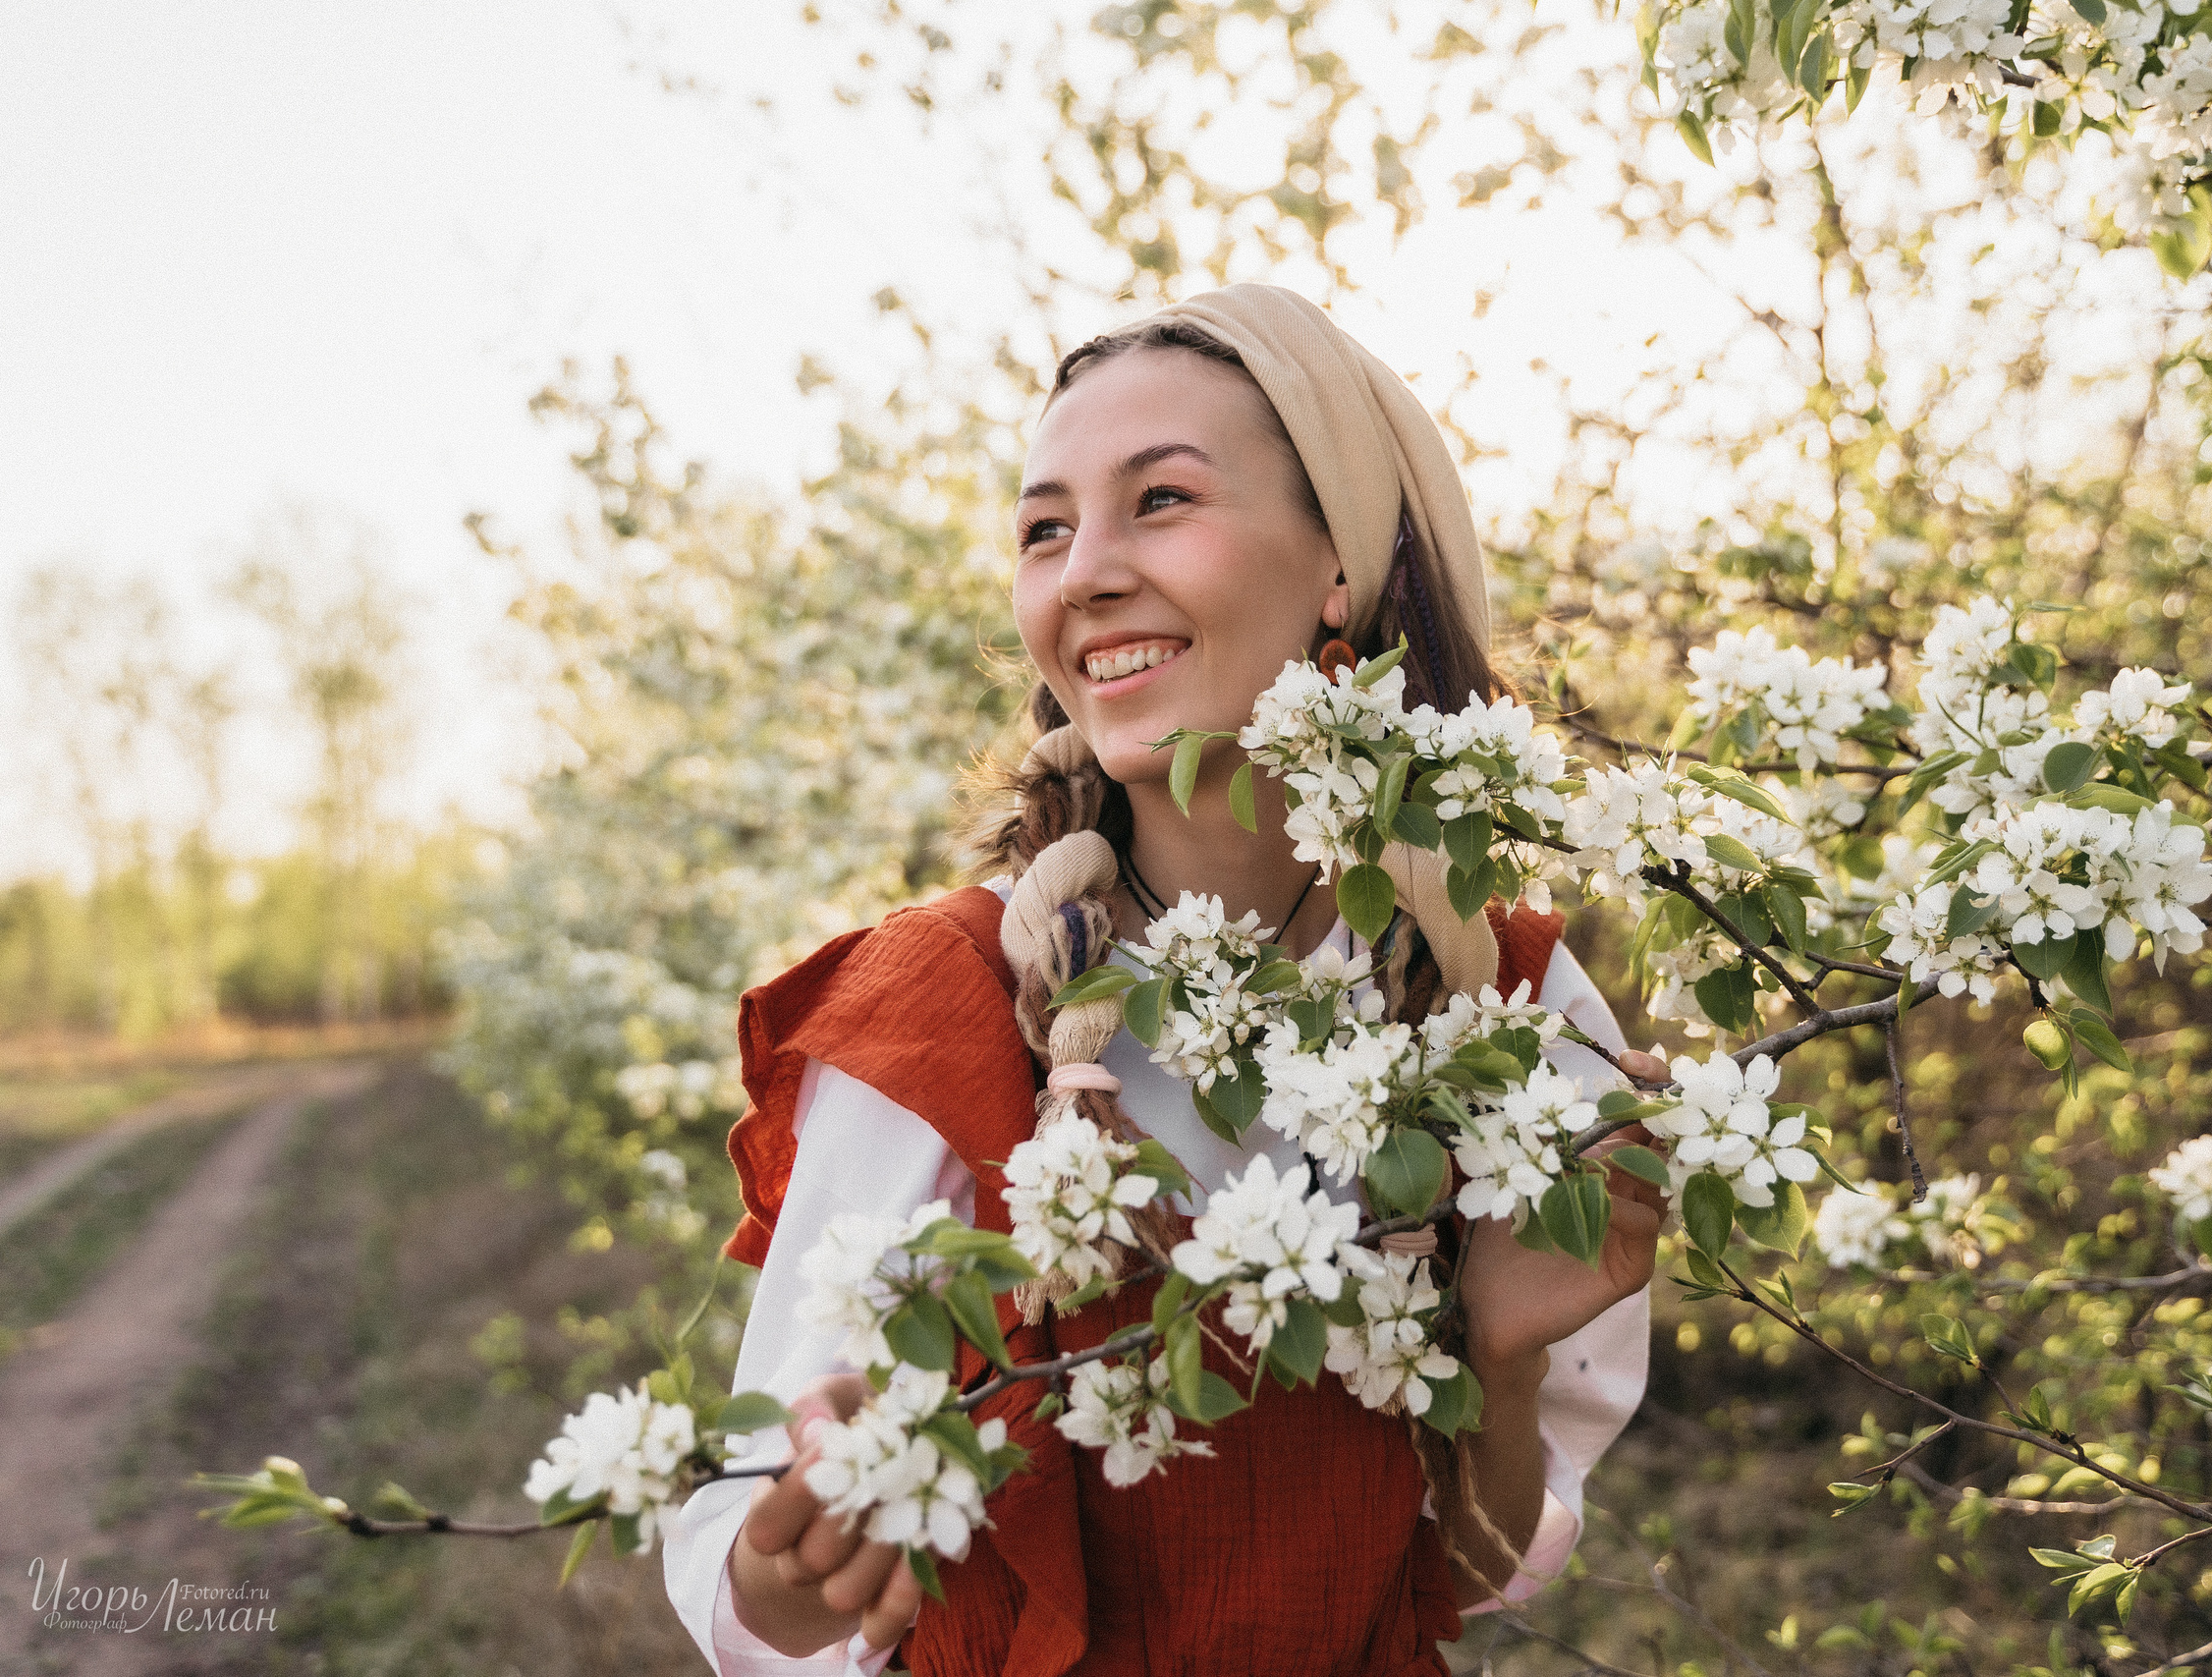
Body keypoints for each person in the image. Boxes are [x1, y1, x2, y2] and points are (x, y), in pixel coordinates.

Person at [662, 283, 1670, 1676]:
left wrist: (1494, 1364)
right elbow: (743, 1570)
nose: (1083, 575)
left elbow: (1472, 1578)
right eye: (1044, 530)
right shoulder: (942, 1010)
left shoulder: (1507, 1012)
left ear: (1341, 563)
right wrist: (795, 1567)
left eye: (1162, 502)